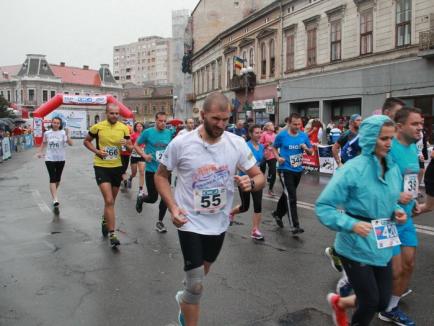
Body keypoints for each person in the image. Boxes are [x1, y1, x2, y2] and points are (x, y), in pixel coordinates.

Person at [154, 92, 265, 326]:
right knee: (195, 284)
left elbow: (259, 176)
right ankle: (189, 311)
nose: (221, 124)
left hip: (219, 222)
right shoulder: (182, 143)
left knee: (200, 276)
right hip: (188, 220)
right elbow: (161, 176)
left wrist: (251, 182)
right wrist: (173, 207)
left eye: (226, 119)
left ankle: (183, 300)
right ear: (203, 115)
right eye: (216, 119)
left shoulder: (235, 143)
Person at [316, 115, 407, 326]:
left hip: (383, 239)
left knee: (383, 302)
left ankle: (340, 303)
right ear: (369, 139)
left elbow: (388, 199)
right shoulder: (353, 169)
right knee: (369, 302)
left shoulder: (392, 168)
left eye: (391, 138)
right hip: (355, 244)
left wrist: (397, 210)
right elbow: (323, 207)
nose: (389, 143)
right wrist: (352, 224)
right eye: (383, 138)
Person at [378, 107, 423, 326]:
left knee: (409, 264)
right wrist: (396, 196)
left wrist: (414, 199)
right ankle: (355, 286)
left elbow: (410, 178)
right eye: (415, 124)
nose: (420, 128)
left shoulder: (413, 147)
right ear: (400, 127)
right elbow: (376, 181)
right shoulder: (388, 147)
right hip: (386, 219)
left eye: (421, 124)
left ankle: (390, 308)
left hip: (406, 218)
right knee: (393, 270)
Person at [83, 104, 132, 248]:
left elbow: (130, 147)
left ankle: (105, 220)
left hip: (116, 167)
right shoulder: (97, 127)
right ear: (106, 113)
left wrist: (127, 144)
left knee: (111, 202)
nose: (115, 116)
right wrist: (97, 151)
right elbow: (86, 141)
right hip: (101, 166)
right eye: (112, 113)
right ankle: (112, 234)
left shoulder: (124, 128)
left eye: (117, 113)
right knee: (109, 200)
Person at [272, 113, 313, 234]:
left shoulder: (303, 135)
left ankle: (277, 213)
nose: (297, 126)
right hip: (285, 169)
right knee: (292, 196)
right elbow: (274, 148)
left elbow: (310, 152)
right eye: (295, 124)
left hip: (298, 170)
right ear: (289, 123)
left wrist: (305, 148)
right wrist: (278, 158)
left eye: (299, 124)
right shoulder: (282, 135)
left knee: (287, 194)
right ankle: (294, 225)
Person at [134, 112, 174, 233]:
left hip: (165, 171)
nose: (163, 123)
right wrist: (144, 155)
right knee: (153, 198)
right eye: (160, 121)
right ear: (156, 121)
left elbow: (172, 148)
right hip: (151, 170)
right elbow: (136, 145)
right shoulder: (148, 132)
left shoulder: (169, 133)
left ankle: (160, 222)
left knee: (166, 198)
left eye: (165, 121)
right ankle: (141, 199)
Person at [230, 124, 266, 240]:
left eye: (260, 132)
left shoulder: (261, 147)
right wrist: (249, 172)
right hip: (244, 180)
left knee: (258, 205)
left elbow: (260, 162)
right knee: (245, 207)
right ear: (250, 134)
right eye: (256, 133)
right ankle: (231, 212)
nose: (259, 135)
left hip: (256, 180)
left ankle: (255, 230)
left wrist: (260, 175)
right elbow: (238, 164)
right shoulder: (245, 146)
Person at [37, 117, 73, 208]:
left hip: (61, 158)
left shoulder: (63, 133)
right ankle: (55, 199)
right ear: (51, 123)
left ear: (60, 124)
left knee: (58, 179)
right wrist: (40, 152)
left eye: (57, 123)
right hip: (49, 158)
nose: (56, 124)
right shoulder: (47, 133)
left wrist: (68, 136)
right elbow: (44, 143)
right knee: (52, 178)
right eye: (54, 122)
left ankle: (53, 193)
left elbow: (71, 143)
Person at [127, 122, 146, 195]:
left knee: (141, 172)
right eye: (137, 126)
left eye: (140, 126)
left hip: (142, 155)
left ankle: (141, 189)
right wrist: (133, 146)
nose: (139, 127)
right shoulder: (133, 135)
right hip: (134, 156)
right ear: (135, 127)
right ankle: (130, 178)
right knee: (134, 173)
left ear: (143, 127)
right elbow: (129, 145)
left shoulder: (145, 135)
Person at [259, 122, 277, 196]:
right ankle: (259, 186)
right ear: (268, 127)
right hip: (264, 156)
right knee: (261, 173)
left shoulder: (275, 135)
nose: (273, 126)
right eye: (272, 125)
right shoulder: (264, 134)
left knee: (274, 173)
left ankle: (270, 189)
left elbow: (276, 145)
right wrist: (267, 144)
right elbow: (260, 144)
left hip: (272, 155)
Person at [120, 123, 132, 189]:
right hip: (120, 154)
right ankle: (124, 180)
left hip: (127, 154)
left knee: (124, 168)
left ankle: (122, 178)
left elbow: (131, 146)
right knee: (122, 168)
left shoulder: (128, 136)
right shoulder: (118, 135)